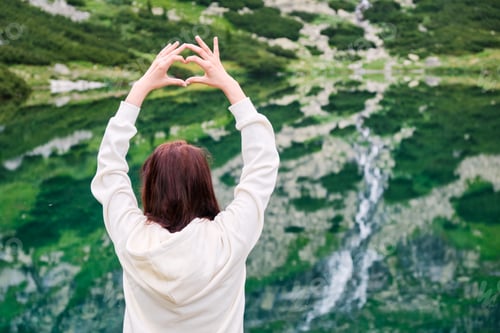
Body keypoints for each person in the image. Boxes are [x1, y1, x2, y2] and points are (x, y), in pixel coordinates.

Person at [90, 36, 279, 332]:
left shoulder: (132, 239)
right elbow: (263, 164)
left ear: (151, 186)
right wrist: (231, 86)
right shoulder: (228, 240)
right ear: (204, 185)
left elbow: (109, 167)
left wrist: (139, 90)